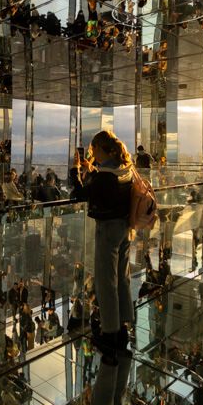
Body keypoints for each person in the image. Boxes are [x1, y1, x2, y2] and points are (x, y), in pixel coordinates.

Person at [70, 130, 134, 362]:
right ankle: (124, 324)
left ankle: (110, 333)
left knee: (105, 282)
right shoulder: (123, 168)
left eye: (92, 149)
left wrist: (75, 170)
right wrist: (93, 170)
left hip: (107, 230)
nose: (90, 153)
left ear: (101, 148)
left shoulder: (105, 176)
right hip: (125, 228)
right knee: (122, 277)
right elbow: (107, 185)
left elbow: (80, 194)